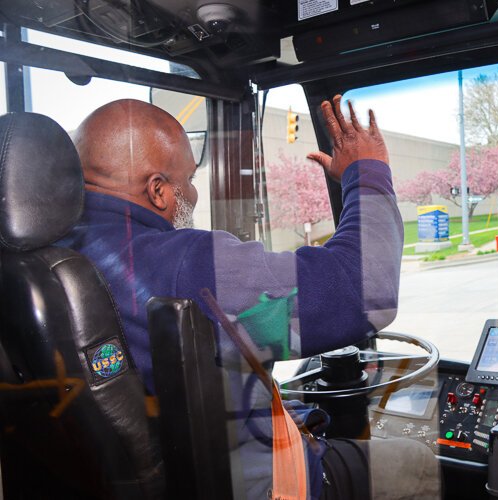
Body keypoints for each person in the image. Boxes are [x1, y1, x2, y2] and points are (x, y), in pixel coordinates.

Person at [57, 96, 439, 499]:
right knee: (415, 462)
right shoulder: (187, 265)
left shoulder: (57, 258)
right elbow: (366, 290)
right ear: (158, 191)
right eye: (188, 179)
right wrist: (367, 171)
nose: (193, 192)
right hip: (268, 484)